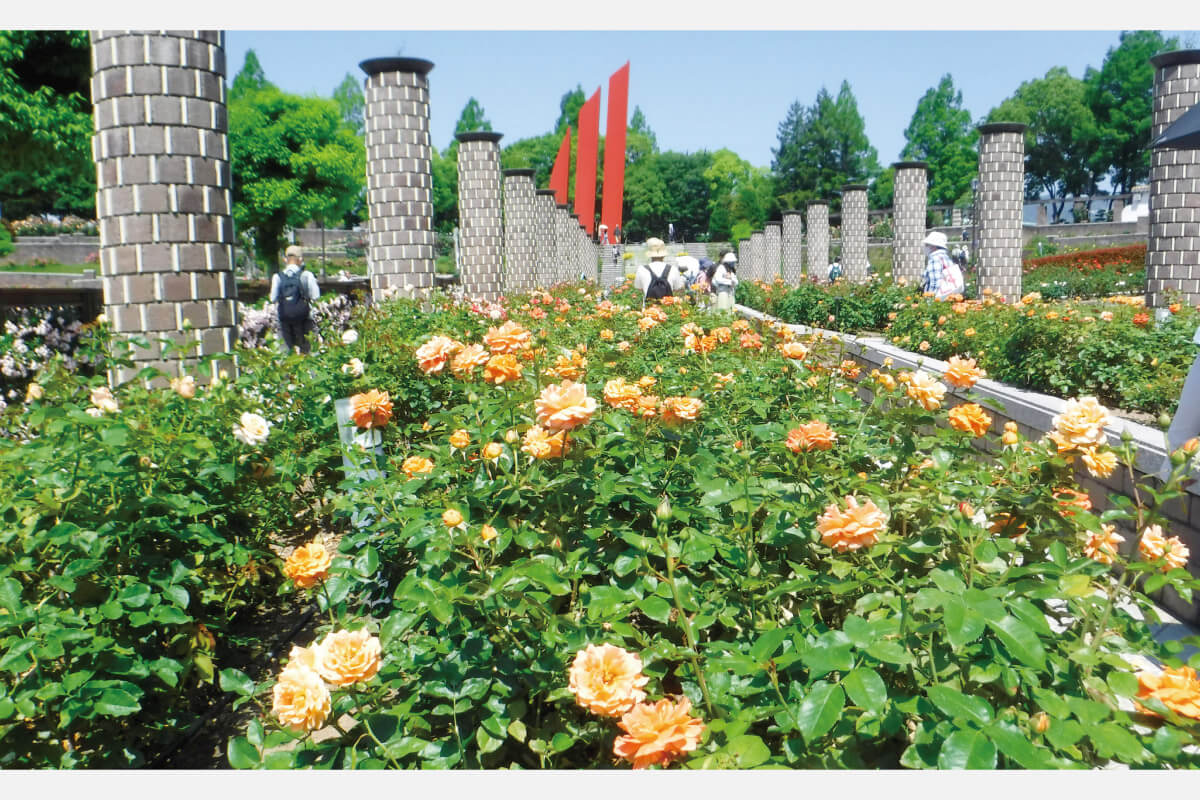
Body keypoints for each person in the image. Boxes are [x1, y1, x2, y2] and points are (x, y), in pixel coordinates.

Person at [270, 244, 320, 354]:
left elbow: (272, 298)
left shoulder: (277, 277)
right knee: (307, 350)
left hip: (285, 318)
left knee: (287, 351)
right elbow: (316, 296)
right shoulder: (306, 275)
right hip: (304, 318)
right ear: (300, 259)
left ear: (285, 260)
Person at [633, 237, 684, 305]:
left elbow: (639, 289)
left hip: (649, 309)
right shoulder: (673, 269)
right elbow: (678, 290)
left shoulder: (641, 269)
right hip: (669, 309)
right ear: (664, 255)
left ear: (650, 254)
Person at [922, 231, 964, 300]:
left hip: (938, 299)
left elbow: (935, 282)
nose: (925, 247)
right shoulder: (945, 257)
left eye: (927, 245)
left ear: (933, 246)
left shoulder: (935, 259)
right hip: (948, 296)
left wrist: (929, 300)